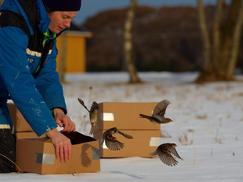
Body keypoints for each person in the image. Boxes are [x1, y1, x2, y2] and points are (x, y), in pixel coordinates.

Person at [0, 0, 82, 172]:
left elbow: (46, 75)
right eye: (65, 17)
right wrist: (50, 130)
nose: (68, 24)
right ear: (48, 10)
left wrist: (56, 109)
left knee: (6, 161)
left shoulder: (46, 34)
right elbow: (19, 80)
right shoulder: (11, 25)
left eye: (72, 18)